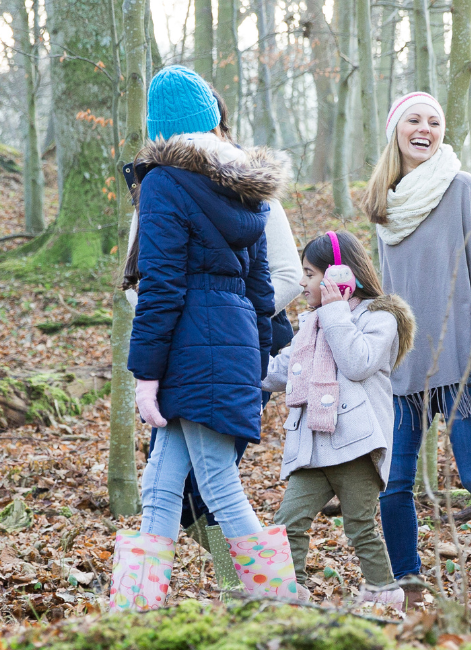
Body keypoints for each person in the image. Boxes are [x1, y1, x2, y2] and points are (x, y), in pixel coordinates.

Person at [111, 65, 298, 608]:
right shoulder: (246, 188)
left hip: (189, 349)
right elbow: (261, 287)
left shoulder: (164, 182)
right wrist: (255, 354)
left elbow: (162, 285)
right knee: (161, 488)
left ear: (160, 129)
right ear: (212, 121)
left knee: (217, 484)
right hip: (228, 344)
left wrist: (145, 372)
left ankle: (282, 603)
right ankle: (134, 608)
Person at [365, 91, 471, 599]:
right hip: (404, 371)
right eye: (414, 119)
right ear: (395, 130)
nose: (424, 128)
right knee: (394, 484)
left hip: (466, 362)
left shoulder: (461, 187)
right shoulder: (384, 201)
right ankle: (409, 587)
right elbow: (387, 287)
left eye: (434, 120)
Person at [263, 230, 417, 605]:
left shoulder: (380, 319)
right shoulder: (312, 325)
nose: (302, 282)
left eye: (310, 273)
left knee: (360, 526)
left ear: (339, 277)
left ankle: (384, 596)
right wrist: (234, 362)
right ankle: (288, 595)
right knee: (288, 522)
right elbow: (281, 371)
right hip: (313, 447)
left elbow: (357, 361)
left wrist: (334, 312)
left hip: (356, 446)